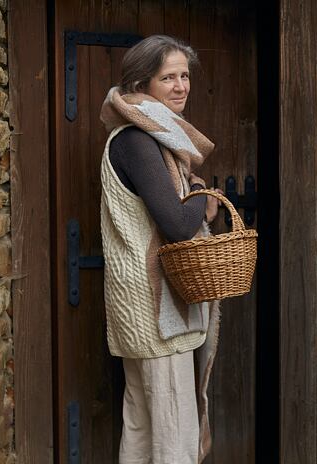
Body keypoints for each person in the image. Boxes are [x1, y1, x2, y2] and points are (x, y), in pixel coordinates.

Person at [99, 35, 222, 464]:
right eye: (167, 77)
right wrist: (201, 206)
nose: (180, 86)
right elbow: (176, 226)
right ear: (141, 84)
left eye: (184, 75)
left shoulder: (142, 136)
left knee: (141, 422)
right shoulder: (138, 140)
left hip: (139, 308)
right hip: (156, 308)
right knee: (173, 429)